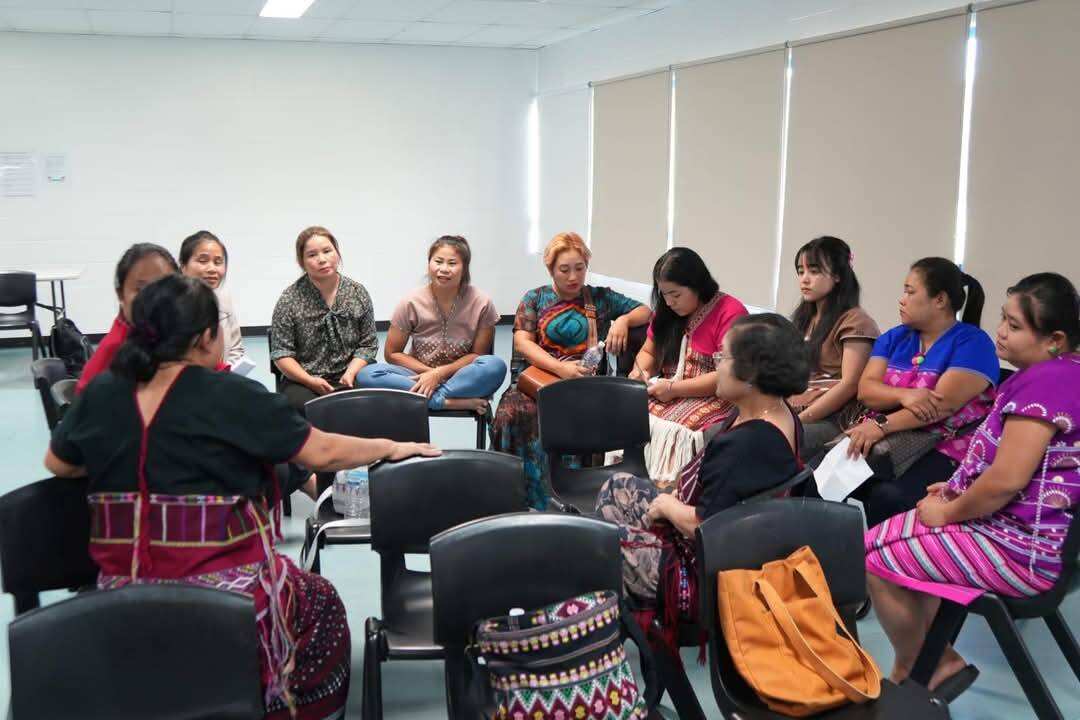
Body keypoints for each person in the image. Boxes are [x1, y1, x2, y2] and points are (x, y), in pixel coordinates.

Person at [45, 275, 441, 719]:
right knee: (322, 605)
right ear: (204, 336)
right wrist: (391, 446)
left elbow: (58, 464)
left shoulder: (102, 392)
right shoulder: (231, 394)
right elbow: (322, 451)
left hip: (119, 593)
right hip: (223, 600)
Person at [865, 272, 1080, 698]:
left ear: (1055, 339)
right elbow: (1021, 472)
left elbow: (1006, 480)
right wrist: (956, 488)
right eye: (1003, 319)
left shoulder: (1047, 381)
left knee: (873, 559)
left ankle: (927, 666)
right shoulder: (1063, 373)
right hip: (1015, 531)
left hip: (1019, 548)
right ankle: (922, 664)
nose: (1000, 332)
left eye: (1015, 326)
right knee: (886, 536)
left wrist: (948, 510)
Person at [598, 314, 807, 640]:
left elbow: (703, 526)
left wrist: (667, 505)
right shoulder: (780, 415)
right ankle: (616, 612)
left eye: (722, 357)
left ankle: (607, 628)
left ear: (750, 373)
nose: (715, 365)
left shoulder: (748, 444)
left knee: (594, 545)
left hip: (704, 579)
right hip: (735, 554)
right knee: (619, 486)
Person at [491, 232, 651, 509]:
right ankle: (515, 497)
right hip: (541, 380)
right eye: (564, 270)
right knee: (511, 413)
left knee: (579, 414)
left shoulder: (600, 298)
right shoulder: (535, 298)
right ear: (551, 269)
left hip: (584, 386)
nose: (573, 276)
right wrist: (558, 368)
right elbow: (522, 342)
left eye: (580, 268)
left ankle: (571, 496)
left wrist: (622, 320)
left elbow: (645, 311)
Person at [628, 248, 748, 485]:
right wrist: (638, 373)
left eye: (676, 294)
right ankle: (629, 482)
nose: (670, 302)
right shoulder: (667, 312)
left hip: (715, 395)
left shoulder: (730, 312)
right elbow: (649, 351)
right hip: (667, 389)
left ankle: (669, 488)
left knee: (679, 431)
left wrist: (674, 389)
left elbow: (727, 375)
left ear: (697, 285)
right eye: (664, 295)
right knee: (629, 410)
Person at [356, 235, 506, 410]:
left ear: (464, 268)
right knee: (367, 374)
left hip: (461, 376)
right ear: (429, 264)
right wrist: (430, 374)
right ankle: (444, 402)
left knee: (495, 366)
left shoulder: (482, 302)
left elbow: (477, 355)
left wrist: (440, 374)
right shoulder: (410, 302)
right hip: (417, 374)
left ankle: (431, 398)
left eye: (452, 263)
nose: (444, 269)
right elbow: (392, 353)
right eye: (438, 261)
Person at [788, 236, 879, 460]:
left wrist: (800, 420)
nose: (804, 279)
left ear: (838, 275)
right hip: (793, 408)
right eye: (801, 271)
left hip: (831, 418)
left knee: (761, 442)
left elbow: (850, 385)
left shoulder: (856, 321)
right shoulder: (804, 319)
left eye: (814, 271)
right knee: (725, 432)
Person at [270, 226, 378, 412]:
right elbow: (281, 354)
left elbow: (368, 344)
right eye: (312, 255)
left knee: (378, 402)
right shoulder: (289, 300)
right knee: (308, 408)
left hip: (352, 373)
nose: (322, 259)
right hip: (304, 379)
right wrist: (310, 381)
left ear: (337, 252)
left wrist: (350, 372)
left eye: (327, 251)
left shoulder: (357, 293)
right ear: (302, 262)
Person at [76, 243, 178, 394]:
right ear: (120, 294)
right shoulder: (116, 350)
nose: (153, 297)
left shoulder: (175, 334)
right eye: (141, 289)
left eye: (164, 286)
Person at [179, 229, 247, 368]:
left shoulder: (223, 299)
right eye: (203, 261)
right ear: (183, 266)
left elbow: (236, 349)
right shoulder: (168, 304)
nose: (212, 269)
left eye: (218, 262)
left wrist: (226, 372)